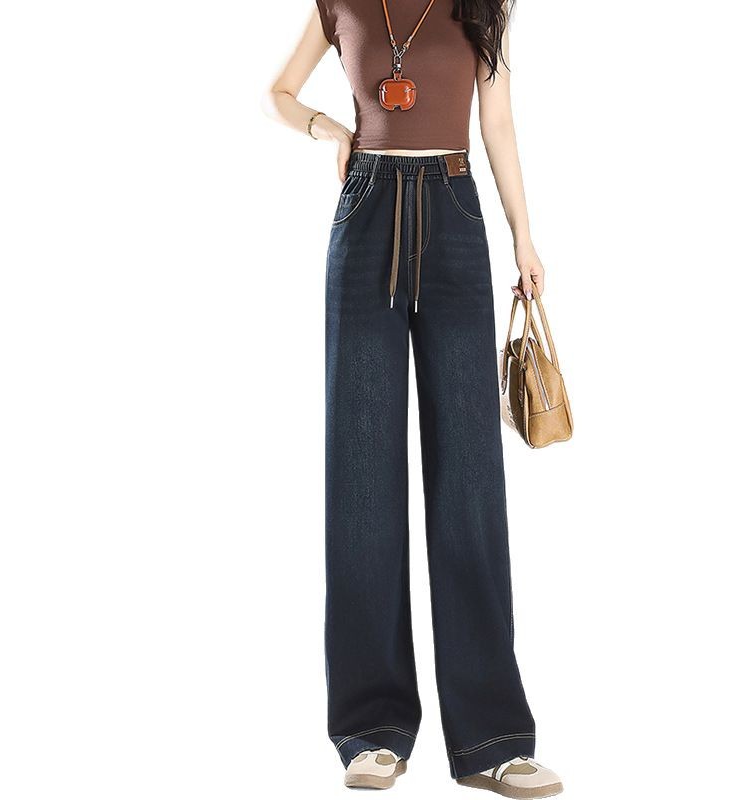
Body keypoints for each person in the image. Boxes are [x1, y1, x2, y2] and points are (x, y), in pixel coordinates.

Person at [264, 1, 563, 795]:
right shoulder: (340, 3)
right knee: (362, 476)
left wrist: (524, 236)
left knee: (469, 480)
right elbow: (278, 93)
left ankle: (493, 738)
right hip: (365, 210)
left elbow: (497, 120)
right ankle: (371, 729)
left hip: (456, 213)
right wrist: (332, 131)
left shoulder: (485, 4)